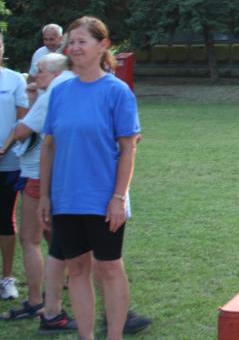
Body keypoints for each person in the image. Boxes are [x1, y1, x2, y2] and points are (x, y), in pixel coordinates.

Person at [38, 17, 141, 340]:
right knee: (77, 268)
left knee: (109, 267)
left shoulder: (117, 92)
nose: (75, 47)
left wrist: (118, 197)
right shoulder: (60, 91)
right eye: (71, 42)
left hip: (103, 198)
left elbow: (128, 149)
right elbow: (49, 146)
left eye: (82, 41)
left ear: (103, 45)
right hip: (66, 197)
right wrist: (45, 196)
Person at [0, 52, 71, 321]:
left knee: (30, 239)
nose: (33, 75)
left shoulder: (51, 95)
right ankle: (56, 293)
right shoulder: (59, 93)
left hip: (38, 175)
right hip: (50, 174)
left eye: (40, 70)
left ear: (56, 74)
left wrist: (7, 142)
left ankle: (37, 301)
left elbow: (22, 131)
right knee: (52, 235)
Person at [0, 33, 29, 301]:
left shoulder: (14, 80)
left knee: (5, 219)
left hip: (8, 164)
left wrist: (4, 148)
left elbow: (22, 121)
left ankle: (7, 277)